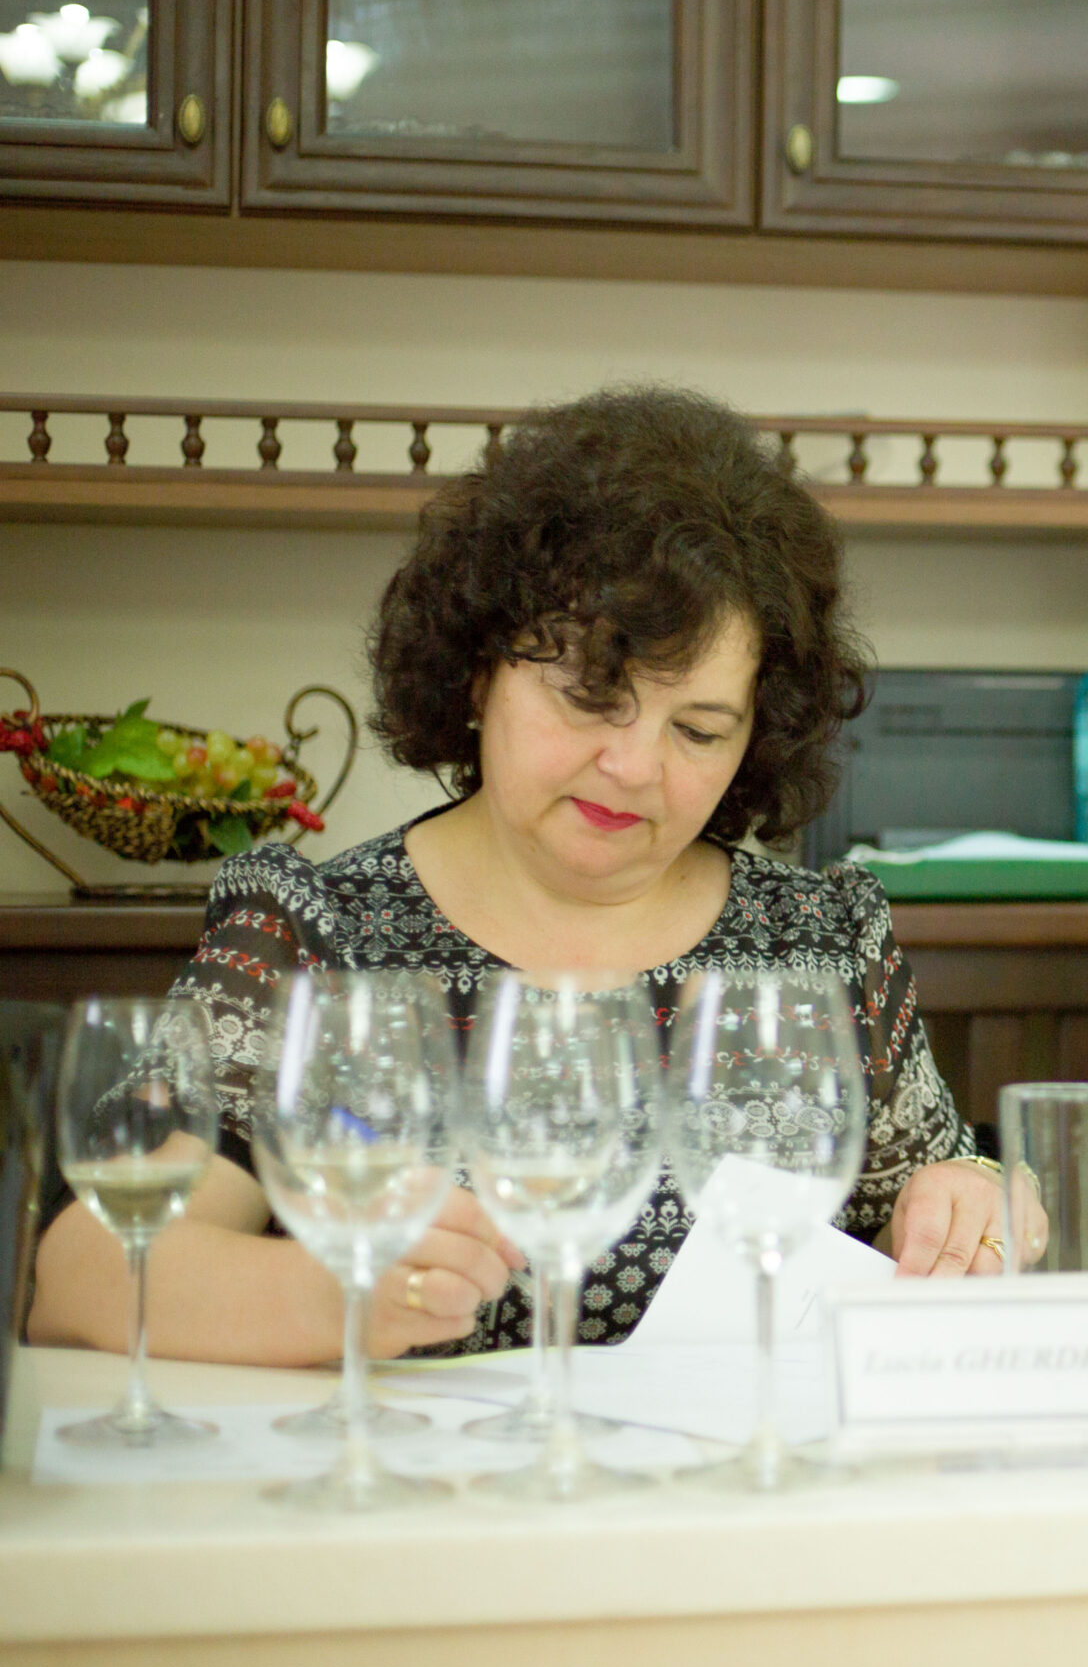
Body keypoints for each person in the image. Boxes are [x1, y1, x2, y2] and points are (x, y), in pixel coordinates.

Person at [30, 386, 1023, 1366]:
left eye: (698, 730)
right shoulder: (314, 931)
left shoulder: (819, 943)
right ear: (478, 673)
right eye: (590, 697)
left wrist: (973, 1208)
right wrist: (345, 1293)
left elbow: (936, 1211)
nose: (634, 767)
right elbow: (85, 1272)